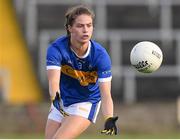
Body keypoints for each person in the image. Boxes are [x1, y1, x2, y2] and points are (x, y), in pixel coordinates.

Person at [45, 5, 118, 139]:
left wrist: (108, 117)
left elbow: (106, 94)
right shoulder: (56, 49)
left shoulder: (100, 55)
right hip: (60, 100)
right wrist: (55, 99)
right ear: (69, 28)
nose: (85, 30)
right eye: (80, 26)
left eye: (89, 25)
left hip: (86, 102)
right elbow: (53, 80)